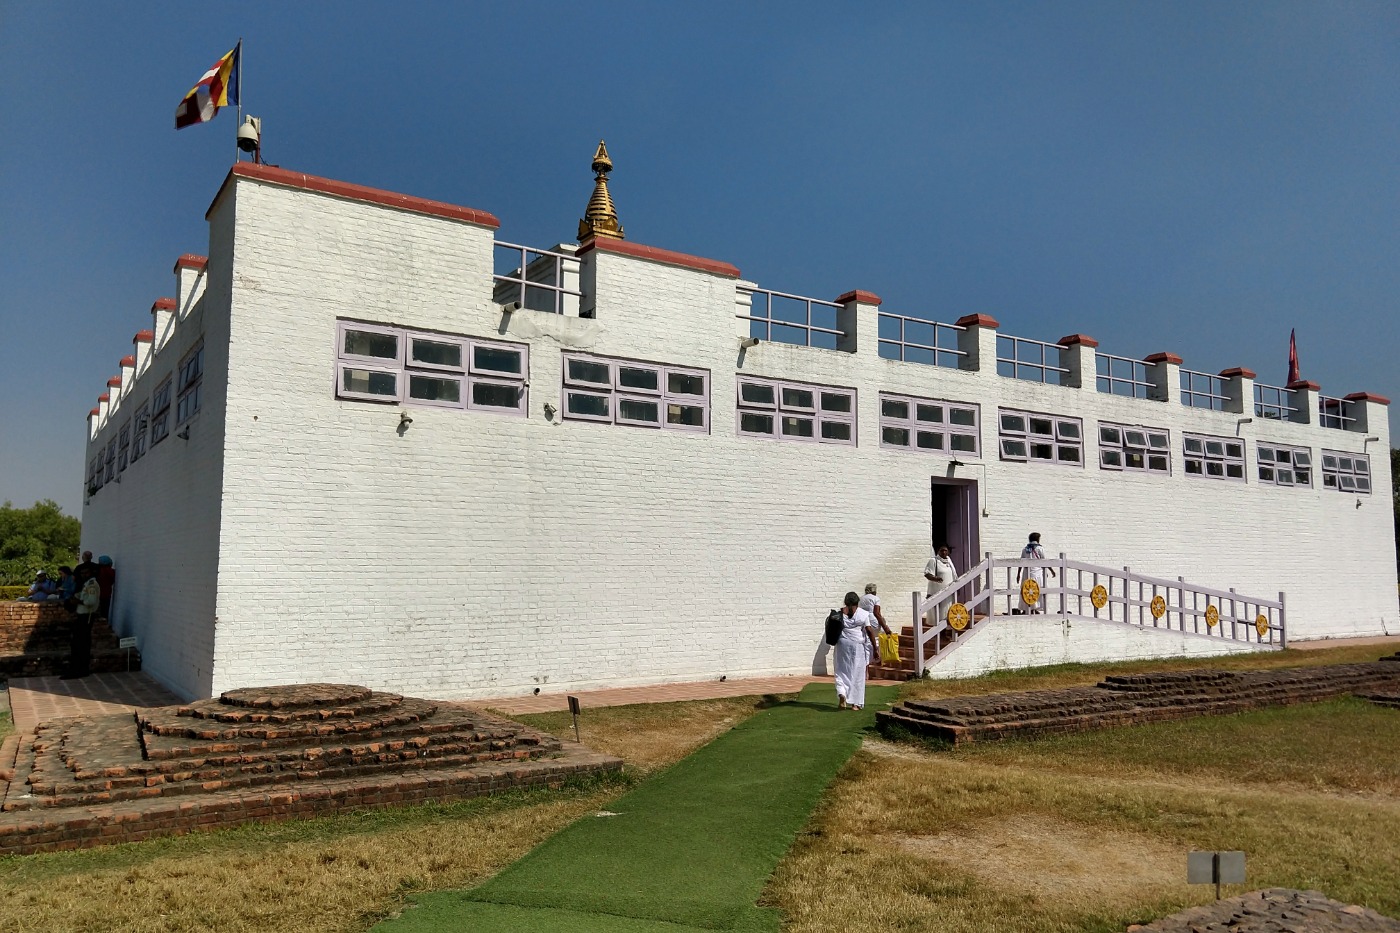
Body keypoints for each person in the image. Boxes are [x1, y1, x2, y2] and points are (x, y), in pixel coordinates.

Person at [834, 591, 878, 711]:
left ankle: (842, 693)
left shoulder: (840, 613)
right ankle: (856, 704)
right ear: (857, 602)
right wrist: (875, 648)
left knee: (841, 671)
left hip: (842, 644)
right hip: (857, 646)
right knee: (858, 674)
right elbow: (869, 631)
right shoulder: (863, 614)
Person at [66, 576, 101, 679]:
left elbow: (91, 601)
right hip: (82, 616)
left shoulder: (91, 584)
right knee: (77, 643)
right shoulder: (86, 584)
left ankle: (81, 670)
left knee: (82, 644)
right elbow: (82, 596)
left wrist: (78, 602)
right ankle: (77, 668)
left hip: (87, 617)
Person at [1018, 532, 1055, 614]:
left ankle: (1027, 608)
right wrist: (1051, 570)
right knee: (1037, 589)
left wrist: (1018, 574)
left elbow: (1020, 562)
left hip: (1026, 573)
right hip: (1037, 572)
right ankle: (1035, 608)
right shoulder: (1040, 549)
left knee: (1026, 590)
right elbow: (1044, 561)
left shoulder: (1025, 549)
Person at [923, 545, 957, 626]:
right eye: (942, 550)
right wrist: (936, 578)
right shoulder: (933, 561)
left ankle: (946, 631)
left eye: (945, 550)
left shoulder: (949, 561)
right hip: (937, 591)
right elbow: (927, 574)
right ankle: (939, 633)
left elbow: (954, 575)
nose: (944, 552)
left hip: (948, 592)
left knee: (947, 612)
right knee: (937, 614)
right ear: (938, 551)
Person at [96, 555, 116, 622]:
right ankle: (104, 623)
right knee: (105, 610)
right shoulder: (112, 571)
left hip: (97, 593)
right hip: (107, 593)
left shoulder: (98, 571)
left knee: (97, 610)